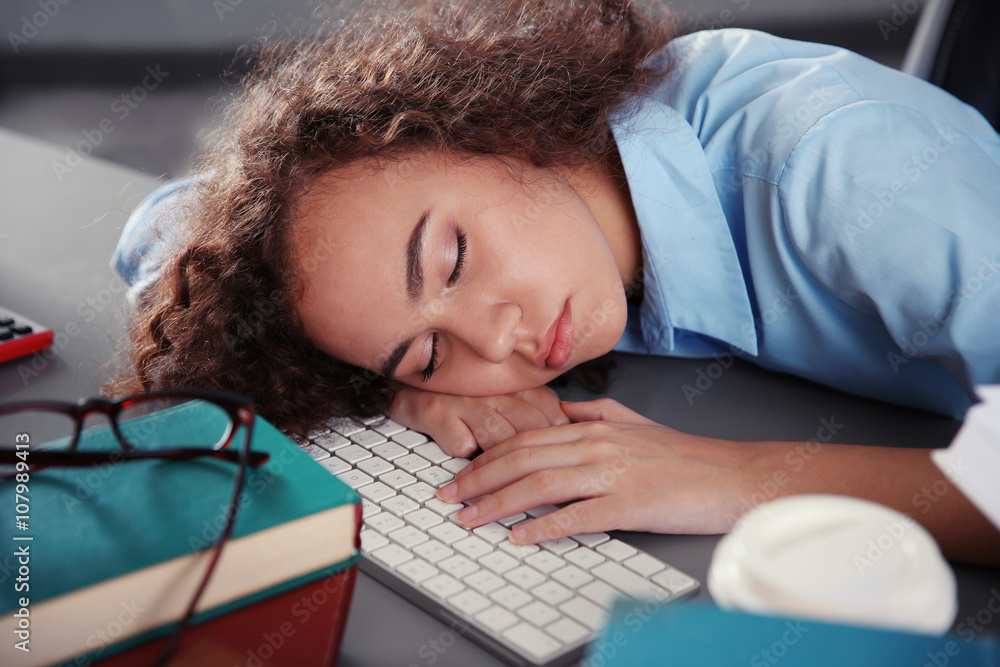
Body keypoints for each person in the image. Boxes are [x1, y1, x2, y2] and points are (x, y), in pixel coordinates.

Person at [110, 0, 1000, 566]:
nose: (498, 339)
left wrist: (740, 478)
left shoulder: (844, 170)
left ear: (492, 126)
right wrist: (404, 384)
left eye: (454, 260)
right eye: (430, 348)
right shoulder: (557, 214)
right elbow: (168, 223)